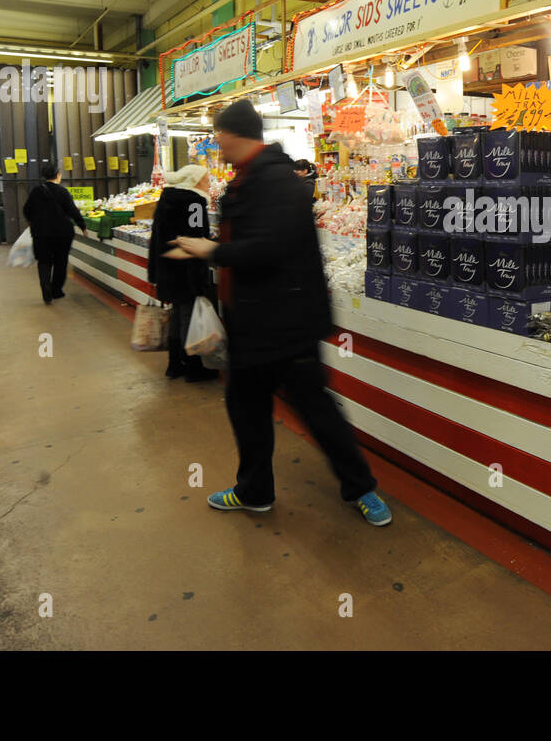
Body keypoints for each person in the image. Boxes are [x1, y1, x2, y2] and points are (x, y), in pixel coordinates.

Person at [166, 97, 392, 526]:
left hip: (287, 323)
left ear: (234, 135)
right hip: (253, 323)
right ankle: (254, 491)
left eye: (218, 133)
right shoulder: (247, 179)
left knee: (315, 409)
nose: (216, 142)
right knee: (248, 408)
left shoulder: (276, 182)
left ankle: (362, 489)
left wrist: (211, 250)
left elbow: (272, 248)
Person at [148, 164, 217, 383]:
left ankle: (174, 364)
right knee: (189, 316)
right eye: (206, 180)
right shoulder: (194, 203)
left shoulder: (167, 198)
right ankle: (194, 367)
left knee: (177, 315)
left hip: (167, 268)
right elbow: (195, 237)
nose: (209, 184)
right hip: (186, 270)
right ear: (195, 182)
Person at [22, 162, 86, 305]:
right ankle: (56, 290)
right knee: (60, 262)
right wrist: (82, 225)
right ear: (58, 175)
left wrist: (33, 222)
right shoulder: (62, 192)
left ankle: (45, 289)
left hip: (40, 234)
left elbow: (26, 210)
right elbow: (73, 211)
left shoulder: (35, 192)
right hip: (62, 234)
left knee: (44, 262)